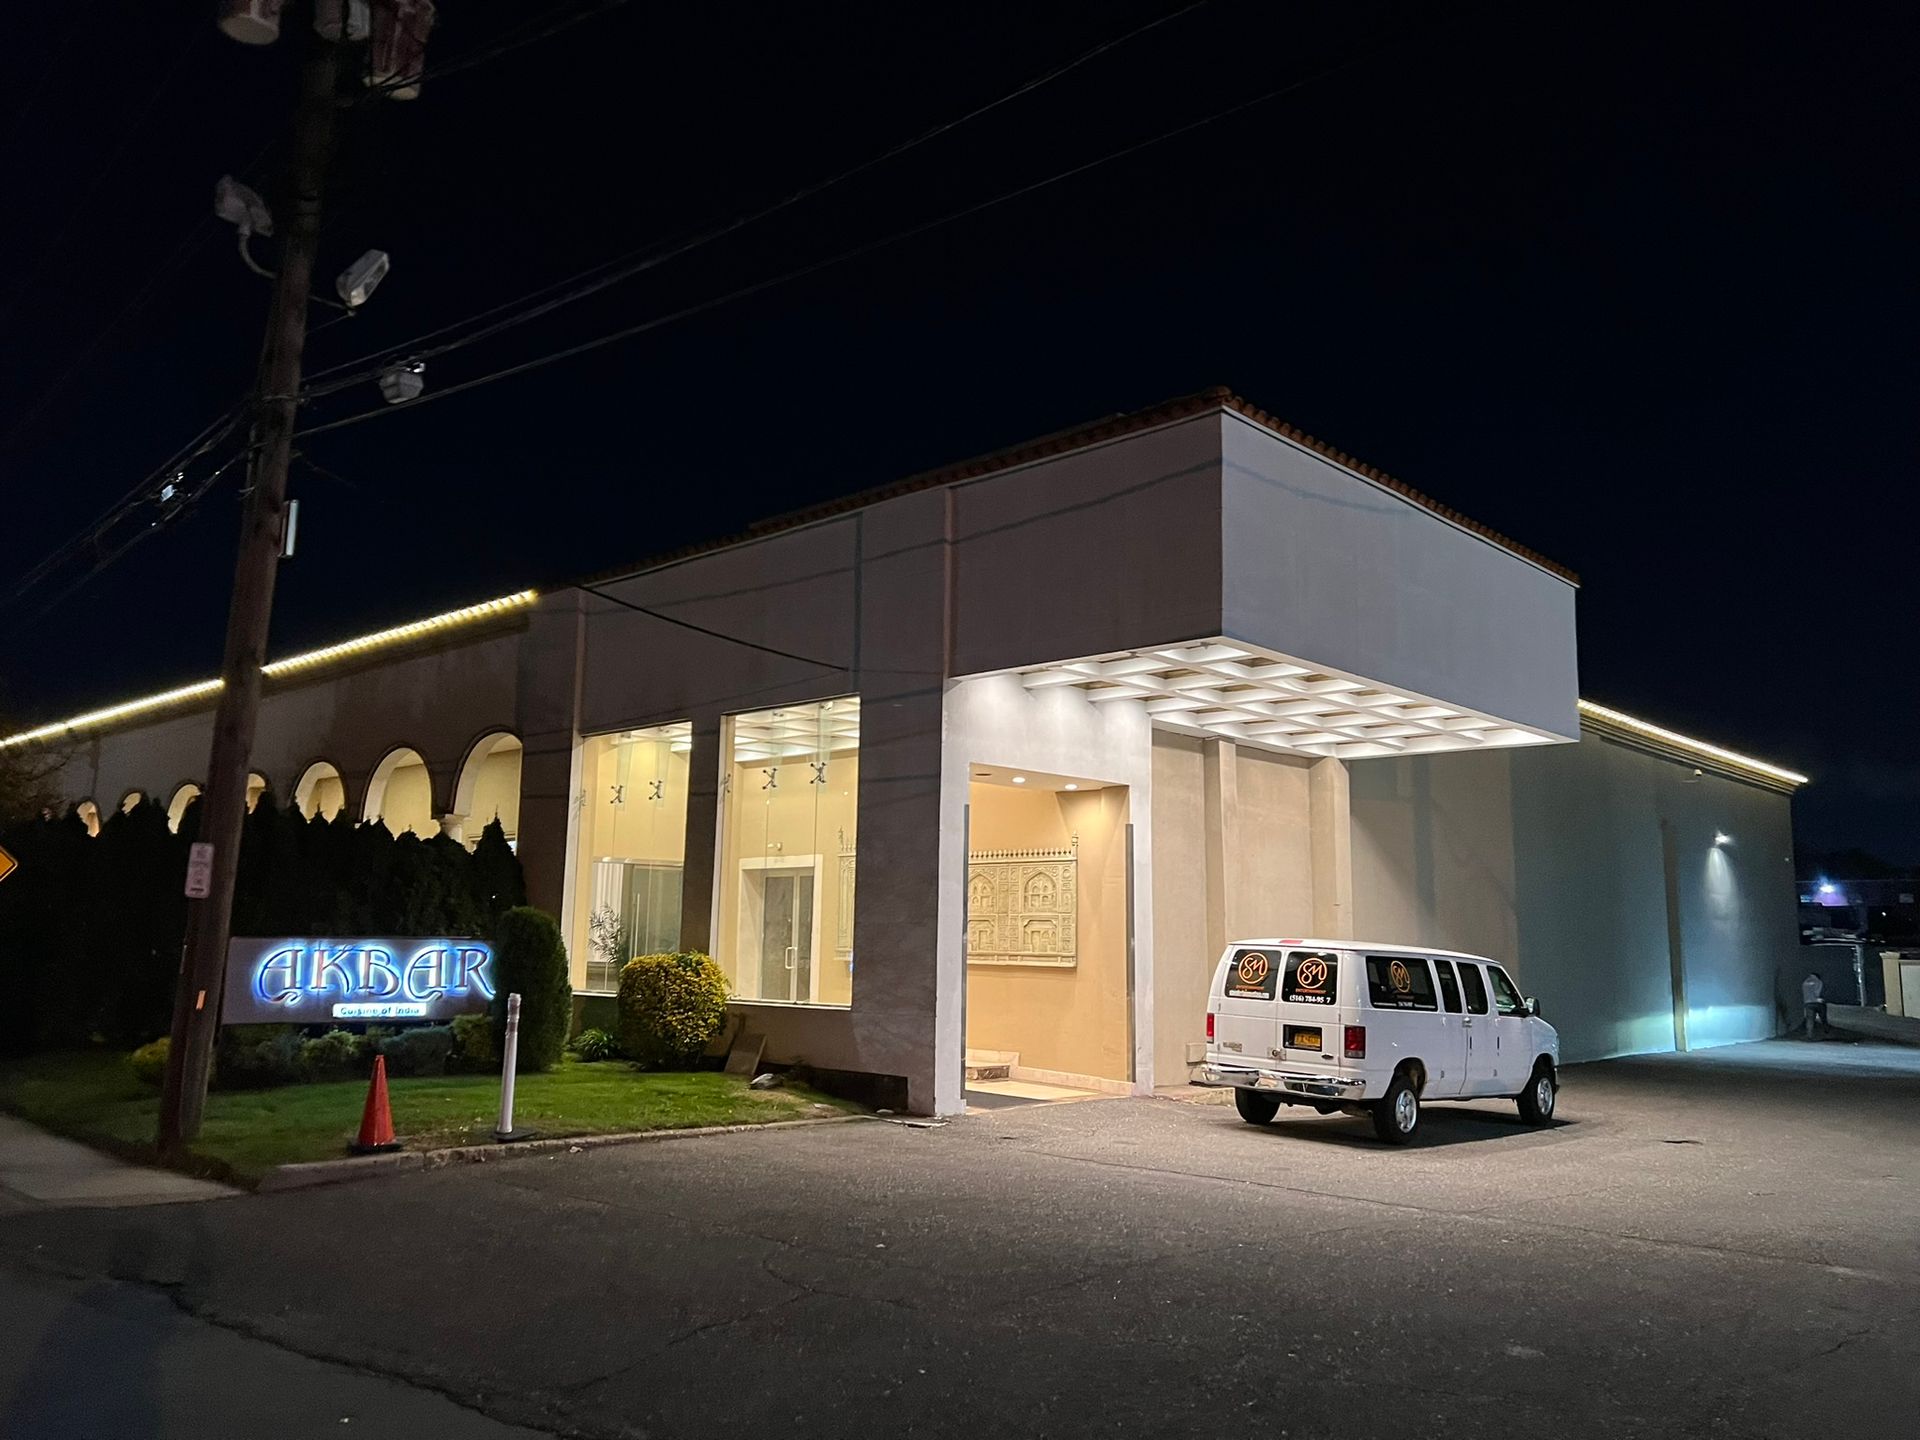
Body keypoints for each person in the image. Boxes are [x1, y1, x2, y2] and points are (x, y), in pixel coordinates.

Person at [1801, 971, 1825, 1039]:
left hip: (1808, 1003)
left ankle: (1809, 1035)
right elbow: (1818, 992)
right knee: (1822, 1018)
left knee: (1809, 1019)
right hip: (1817, 1002)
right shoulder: (1819, 982)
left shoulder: (1805, 982)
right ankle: (1824, 1032)